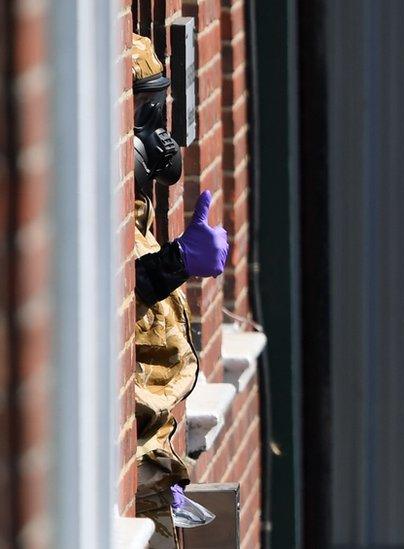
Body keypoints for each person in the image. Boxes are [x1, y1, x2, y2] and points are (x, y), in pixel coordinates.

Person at [130, 33, 227, 548]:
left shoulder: (135, 199)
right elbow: (117, 299)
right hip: (129, 462)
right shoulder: (91, 188)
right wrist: (177, 262)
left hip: (154, 453)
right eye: (144, 109)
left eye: (159, 107)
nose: (157, 130)